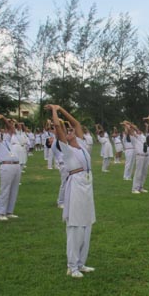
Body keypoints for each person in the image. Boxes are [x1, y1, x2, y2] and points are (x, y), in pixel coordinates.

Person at [46, 104, 96, 278]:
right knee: (75, 226)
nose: (70, 131)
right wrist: (54, 111)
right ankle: (72, 266)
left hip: (87, 187)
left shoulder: (81, 144)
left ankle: (81, 263)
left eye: (71, 130)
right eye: (66, 132)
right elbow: (58, 128)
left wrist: (62, 110)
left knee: (87, 225)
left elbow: (75, 123)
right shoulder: (66, 149)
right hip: (75, 186)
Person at [0, 115, 22, 221]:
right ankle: (1, 213)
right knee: (5, 189)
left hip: (16, 165)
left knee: (14, 189)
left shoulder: (6, 141)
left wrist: (5, 119)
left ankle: (9, 211)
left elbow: (11, 128)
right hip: (6, 165)